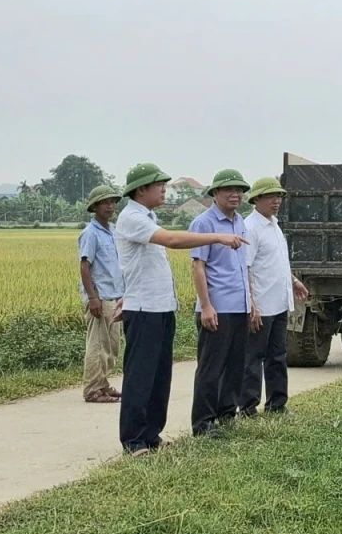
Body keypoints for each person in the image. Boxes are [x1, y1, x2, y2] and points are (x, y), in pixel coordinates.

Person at [115, 162, 247, 457]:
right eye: (158, 185)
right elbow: (173, 240)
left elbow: (138, 267)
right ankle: (133, 440)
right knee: (141, 375)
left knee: (160, 375)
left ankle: (151, 435)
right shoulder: (132, 217)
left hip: (159, 307)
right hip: (144, 309)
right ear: (140, 190)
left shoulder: (146, 217)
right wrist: (218, 237)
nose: (164, 189)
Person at [188, 169, 255, 437]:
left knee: (235, 365)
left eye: (239, 190)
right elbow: (198, 267)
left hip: (239, 306)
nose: (235, 194)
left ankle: (226, 413)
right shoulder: (203, 223)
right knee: (210, 367)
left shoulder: (240, 221)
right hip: (217, 307)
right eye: (229, 189)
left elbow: (243, 267)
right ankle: (203, 422)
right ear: (215, 193)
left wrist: (251, 303)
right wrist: (206, 306)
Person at [239, 176, 309, 417]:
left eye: (278, 196)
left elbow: (277, 263)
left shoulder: (274, 225)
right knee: (253, 357)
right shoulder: (250, 228)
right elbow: (245, 268)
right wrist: (252, 305)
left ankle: (277, 404)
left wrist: (294, 281)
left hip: (279, 303)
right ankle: (248, 407)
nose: (276, 201)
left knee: (278, 355)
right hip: (261, 305)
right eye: (270, 196)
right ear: (256, 199)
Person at [78, 184, 125, 404]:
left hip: (114, 296)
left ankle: (103, 384)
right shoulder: (90, 233)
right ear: (95, 206)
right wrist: (93, 297)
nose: (110, 205)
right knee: (97, 344)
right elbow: (85, 266)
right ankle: (92, 390)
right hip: (100, 296)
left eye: (113, 201)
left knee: (111, 344)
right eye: (105, 202)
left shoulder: (114, 231)